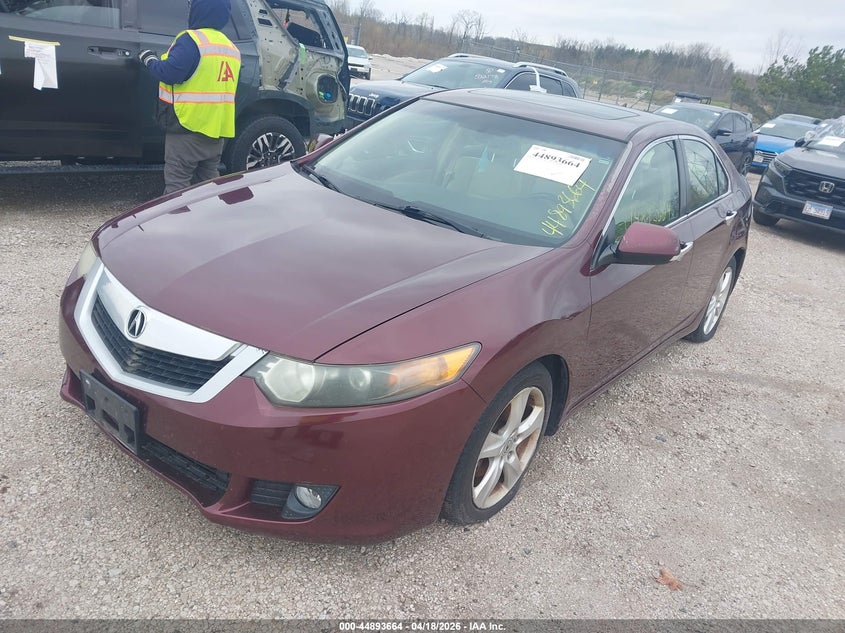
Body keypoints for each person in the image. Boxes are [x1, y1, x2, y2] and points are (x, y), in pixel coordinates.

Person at [138, 0, 241, 194]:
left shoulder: (192, 40)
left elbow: (169, 73)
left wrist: (149, 59)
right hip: (216, 132)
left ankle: (177, 215)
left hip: (187, 128)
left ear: (198, 11)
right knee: (208, 187)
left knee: (177, 188)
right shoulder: (231, 48)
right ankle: (209, 214)